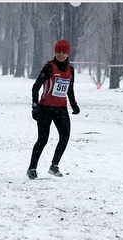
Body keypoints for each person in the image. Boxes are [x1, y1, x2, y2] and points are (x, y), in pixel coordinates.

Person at [26, 40, 80, 180]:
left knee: (65, 136)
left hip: (61, 109)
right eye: (58, 52)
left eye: (64, 53)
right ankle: (32, 168)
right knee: (43, 139)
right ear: (55, 53)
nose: (61, 55)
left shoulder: (70, 70)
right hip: (45, 108)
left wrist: (73, 104)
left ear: (68, 54)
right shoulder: (49, 68)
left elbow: (69, 89)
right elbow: (36, 87)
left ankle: (54, 166)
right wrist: (35, 105)